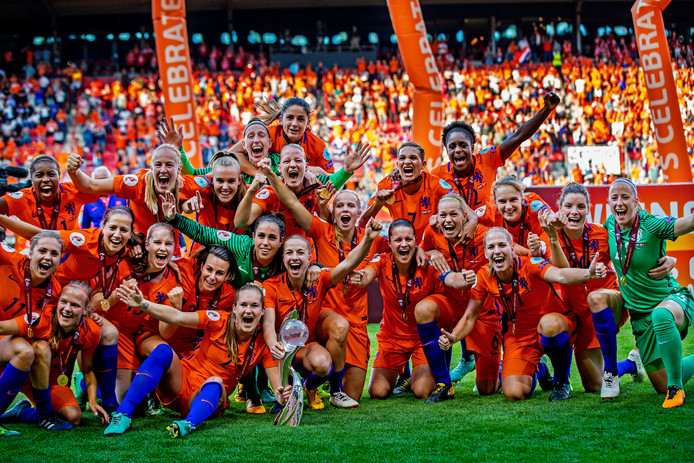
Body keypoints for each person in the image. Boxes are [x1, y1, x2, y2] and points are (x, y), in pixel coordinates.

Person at [439, 227, 607, 402]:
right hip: (519, 336)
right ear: (486, 253)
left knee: (549, 324)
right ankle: (540, 368)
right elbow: (470, 316)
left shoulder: (530, 264)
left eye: (502, 245)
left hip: (554, 325)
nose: (497, 251)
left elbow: (560, 275)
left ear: (512, 249)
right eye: (491, 247)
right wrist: (453, 337)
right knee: (513, 393)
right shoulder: (484, 276)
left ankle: (561, 381)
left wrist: (588, 273)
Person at [105, 284, 287, 438]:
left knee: (215, 382)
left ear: (262, 311)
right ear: (234, 308)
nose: (248, 310)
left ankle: (187, 424)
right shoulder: (218, 320)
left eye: (254, 306)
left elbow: (278, 388)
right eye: (243, 305)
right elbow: (177, 317)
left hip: (208, 398)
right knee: (163, 350)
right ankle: (122, 414)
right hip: (180, 384)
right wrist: (143, 304)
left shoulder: (263, 345)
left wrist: (284, 396)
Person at [0, 206, 137, 411]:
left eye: (124, 230)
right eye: (113, 228)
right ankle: (45, 404)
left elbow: (154, 249)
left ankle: (104, 401)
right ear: (103, 227)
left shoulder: (128, 250)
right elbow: (42, 236)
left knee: (106, 332)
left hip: (68, 300)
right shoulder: (85, 240)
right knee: (32, 348)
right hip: (55, 298)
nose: (118, 234)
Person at [547, 182, 674, 398]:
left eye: (581, 206)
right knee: (593, 386)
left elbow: (635, 246)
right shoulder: (550, 235)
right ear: (560, 208)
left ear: (589, 209)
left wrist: (670, 259)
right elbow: (549, 267)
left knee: (596, 298)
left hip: (606, 301)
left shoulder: (603, 233)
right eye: (568, 206)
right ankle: (632, 363)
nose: (574, 212)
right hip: (573, 312)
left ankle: (611, 371)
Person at [262, 218, 383, 410]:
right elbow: (267, 324)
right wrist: (273, 346)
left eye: (300, 253)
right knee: (282, 402)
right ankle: (279, 390)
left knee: (324, 364)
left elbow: (348, 263)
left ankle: (312, 387)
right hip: (279, 352)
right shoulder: (270, 286)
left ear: (310, 258)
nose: (295, 257)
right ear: (282, 257)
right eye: (289, 253)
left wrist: (367, 239)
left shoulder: (319, 279)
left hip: (305, 347)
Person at [349, 219, 476, 401]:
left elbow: (450, 278)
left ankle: (438, 366)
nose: (403, 244)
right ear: (389, 242)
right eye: (398, 240)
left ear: (416, 241)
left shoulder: (426, 260)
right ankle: (406, 375)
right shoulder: (383, 261)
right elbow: (364, 277)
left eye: (408, 239)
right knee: (377, 392)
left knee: (422, 391)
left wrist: (464, 279)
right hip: (392, 336)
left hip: (422, 337)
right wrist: (357, 276)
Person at [604, 178, 694, 408]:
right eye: (614, 198)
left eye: (625, 197)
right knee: (660, 385)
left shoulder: (651, 224)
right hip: (640, 319)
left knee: (660, 316)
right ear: (608, 202)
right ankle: (667, 384)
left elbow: (687, 222)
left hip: (670, 301)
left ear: (636, 202)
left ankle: (676, 390)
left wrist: (671, 260)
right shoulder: (607, 227)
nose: (620, 202)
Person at [419, 194, 501, 397]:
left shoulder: (484, 235)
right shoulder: (431, 231)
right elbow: (418, 251)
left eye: (453, 215)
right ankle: (444, 383)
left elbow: (510, 251)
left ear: (465, 216)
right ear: (436, 218)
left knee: (487, 389)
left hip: (481, 308)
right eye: (443, 215)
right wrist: (430, 253)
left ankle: (535, 367)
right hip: (451, 303)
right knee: (424, 309)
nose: (448, 220)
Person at [90, 222, 181, 403]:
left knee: (131, 402)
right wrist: (117, 295)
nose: (162, 248)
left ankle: (97, 383)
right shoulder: (125, 264)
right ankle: (87, 382)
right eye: (157, 243)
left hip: (134, 335)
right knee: (117, 397)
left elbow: (165, 332)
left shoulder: (172, 281)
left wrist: (176, 310)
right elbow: (94, 305)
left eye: (168, 244)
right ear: (147, 245)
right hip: (108, 327)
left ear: (174, 248)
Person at [0, 282, 109, 429]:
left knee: (74, 417)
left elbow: (88, 369)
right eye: (63, 302)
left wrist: (93, 400)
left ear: (85, 310)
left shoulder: (92, 331)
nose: (67, 309)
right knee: (41, 347)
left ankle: (23, 413)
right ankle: (45, 414)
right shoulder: (41, 318)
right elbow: (2, 327)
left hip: (47, 381)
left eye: (75, 305)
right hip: (17, 367)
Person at [431, 91, 560, 211]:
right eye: (452, 146)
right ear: (446, 150)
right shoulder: (438, 175)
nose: (458, 150)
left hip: (491, 234)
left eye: (463, 145)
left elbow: (518, 136)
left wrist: (546, 110)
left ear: (472, 147)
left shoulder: (487, 159)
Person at [65, 145, 211, 245]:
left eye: (169, 165)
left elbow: (222, 175)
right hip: (138, 255)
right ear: (151, 168)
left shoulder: (188, 185)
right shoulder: (136, 183)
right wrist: (73, 171)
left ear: (179, 169)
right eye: (158, 165)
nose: (163, 170)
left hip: (170, 256)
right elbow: (90, 185)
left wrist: (187, 206)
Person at [0, 230, 64, 436]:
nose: (47, 257)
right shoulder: (8, 258)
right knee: (25, 350)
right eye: (42, 251)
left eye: (54, 254)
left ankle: (44, 414)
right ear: (30, 252)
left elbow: (25, 327)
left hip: (9, 343)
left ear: (59, 260)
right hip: (9, 343)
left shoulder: (54, 292)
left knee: (39, 348)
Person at [235, 143, 369, 238]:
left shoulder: (314, 189)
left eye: (298, 160)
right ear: (280, 168)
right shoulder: (269, 193)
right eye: (287, 161)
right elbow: (241, 222)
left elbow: (329, 226)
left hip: (307, 257)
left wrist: (322, 206)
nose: (293, 164)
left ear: (306, 167)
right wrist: (251, 191)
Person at [359, 142, 476, 243]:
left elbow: (464, 207)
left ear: (423, 165)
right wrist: (377, 204)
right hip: (402, 247)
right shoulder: (386, 185)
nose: (407, 161)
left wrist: (472, 221)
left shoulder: (435, 183)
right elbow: (362, 224)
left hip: (431, 248)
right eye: (402, 158)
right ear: (397, 164)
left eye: (413, 158)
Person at [0, 155, 100, 243]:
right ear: (32, 180)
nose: (46, 179)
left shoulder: (73, 191)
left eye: (51, 174)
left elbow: (100, 190)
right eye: (39, 175)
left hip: (72, 257)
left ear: (59, 177)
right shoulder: (22, 198)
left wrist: (75, 173)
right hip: (40, 258)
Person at [230, 97, 335, 174]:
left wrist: (320, 172)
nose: (294, 123)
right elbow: (232, 153)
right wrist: (258, 173)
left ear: (308, 123)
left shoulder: (317, 145)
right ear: (281, 120)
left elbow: (333, 180)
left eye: (300, 119)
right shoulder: (267, 135)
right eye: (290, 117)